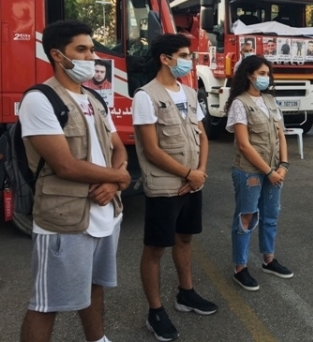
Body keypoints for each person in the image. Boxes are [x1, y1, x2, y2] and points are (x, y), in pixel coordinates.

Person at [19, 20, 130, 342]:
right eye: (81, 50)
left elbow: (118, 148)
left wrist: (114, 183)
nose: (91, 57)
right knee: (46, 303)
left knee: (95, 286)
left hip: (106, 214)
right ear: (57, 55)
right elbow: (65, 166)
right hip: (64, 219)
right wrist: (119, 176)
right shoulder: (40, 99)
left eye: (92, 49)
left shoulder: (95, 99)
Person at [133, 34, 217, 341]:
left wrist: (200, 173)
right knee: (156, 248)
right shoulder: (145, 96)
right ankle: (155, 311)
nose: (189, 61)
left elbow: (202, 136)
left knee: (185, 238)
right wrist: (188, 174)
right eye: (184, 55)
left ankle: (186, 293)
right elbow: (151, 150)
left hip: (193, 180)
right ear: (165, 59)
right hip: (166, 184)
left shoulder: (191, 93)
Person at [225, 55, 293, 291]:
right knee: (246, 218)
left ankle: (269, 259)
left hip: (274, 170)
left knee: (271, 214)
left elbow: (281, 134)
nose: (266, 78)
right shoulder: (239, 104)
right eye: (262, 73)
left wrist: (284, 165)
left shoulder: (270, 101)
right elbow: (244, 145)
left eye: (267, 74)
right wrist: (269, 171)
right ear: (249, 75)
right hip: (250, 172)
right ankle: (240, 267)